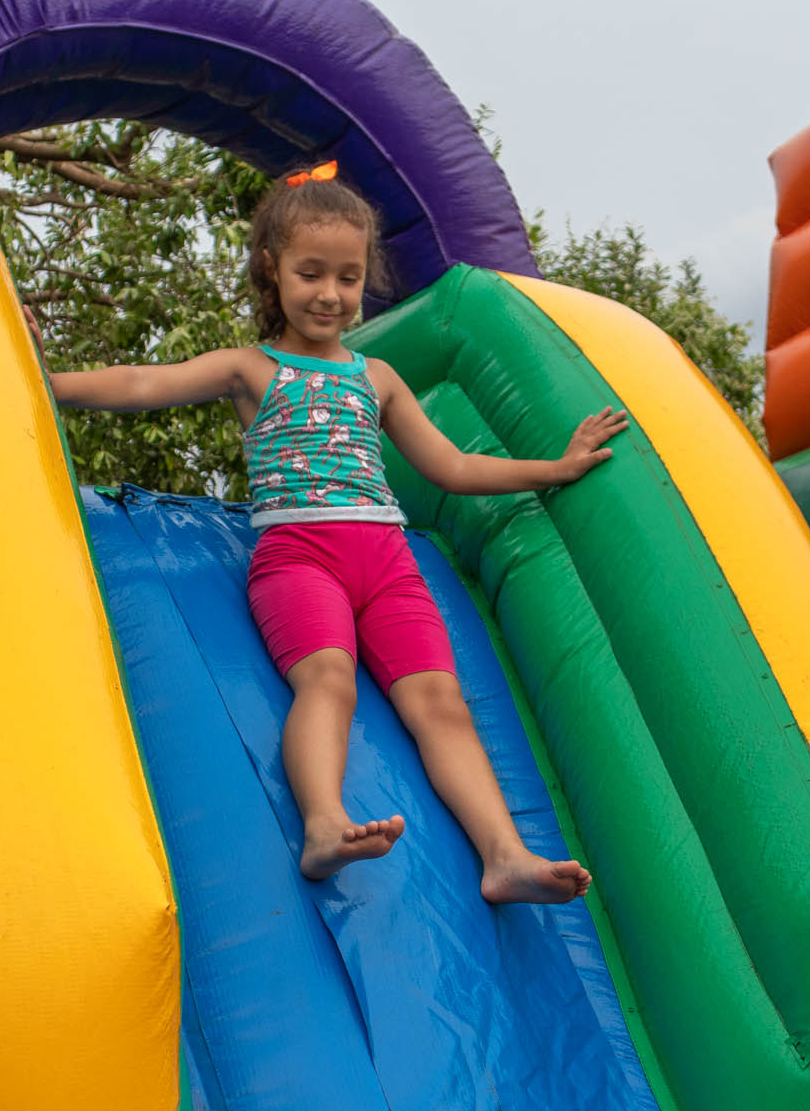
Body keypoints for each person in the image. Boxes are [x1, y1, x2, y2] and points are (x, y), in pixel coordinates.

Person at [42, 167, 624, 900]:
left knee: (440, 699)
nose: (329, 293)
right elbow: (142, 384)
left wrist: (557, 466)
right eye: (310, 272)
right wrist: (49, 382)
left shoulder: (375, 376)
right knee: (328, 680)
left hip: (387, 559)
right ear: (272, 271)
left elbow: (450, 464)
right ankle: (323, 824)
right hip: (299, 555)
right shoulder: (250, 368)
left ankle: (504, 855)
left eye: (348, 278)